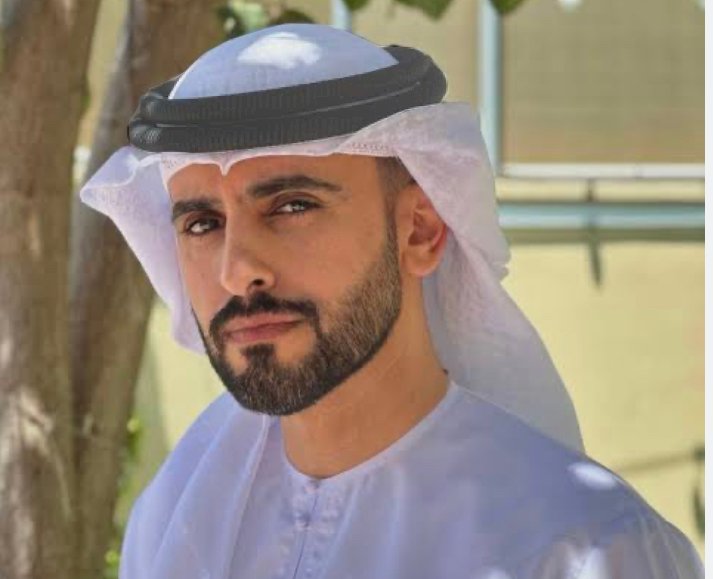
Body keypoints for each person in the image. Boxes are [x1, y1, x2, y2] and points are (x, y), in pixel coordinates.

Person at [80, 24, 703, 579]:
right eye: (201, 224)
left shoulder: (584, 549)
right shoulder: (174, 516)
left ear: (420, 232)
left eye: (292, 206)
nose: (238, 270)